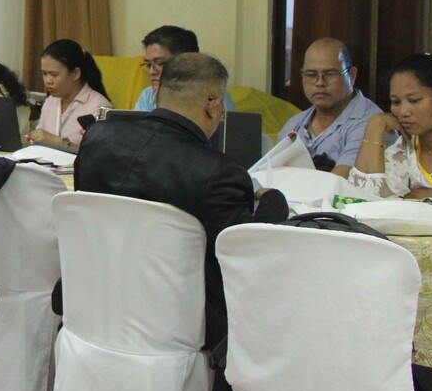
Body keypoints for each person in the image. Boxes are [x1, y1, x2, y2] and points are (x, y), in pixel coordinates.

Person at [72, 53, 288, 349]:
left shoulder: (97, 139)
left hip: (94, 303)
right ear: (212, 105)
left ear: (158, 95)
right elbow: (245, 255)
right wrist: (273, 201)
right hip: (177, 322)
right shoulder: (219, 172)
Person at [349, 52, 432, 199]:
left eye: (414, 100)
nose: (403, 112)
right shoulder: (402, 150)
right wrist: (375, 126)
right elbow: (365, 200)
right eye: (396, 102)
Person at [276, 37, 382, 176]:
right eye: (311, 75)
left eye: (330, 74)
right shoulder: (294, 124)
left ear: (352, 75)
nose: (319, 83)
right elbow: (271, 176)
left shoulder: (371, 123)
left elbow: (342, 181)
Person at [24, 39, 111, 152]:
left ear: (75, 73)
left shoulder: (99, 106)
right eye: (44, 74)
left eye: (54, 74)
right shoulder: (51, 101)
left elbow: (99, 154)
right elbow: (37, 138)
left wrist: (58, 142)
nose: (48, 81)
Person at [132, 24, 236, 112]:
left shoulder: (215, 98)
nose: (151, 72)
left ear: (189, 63)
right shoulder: (148, 96)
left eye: (160, 63)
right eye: (148, 65)